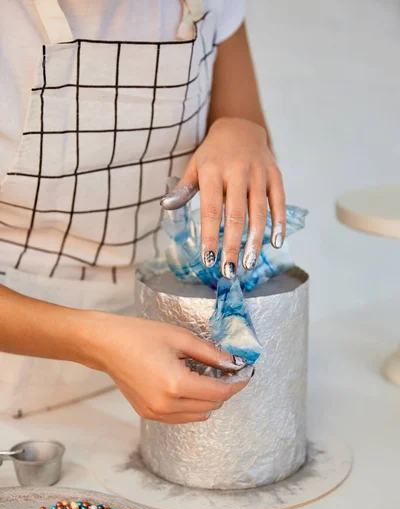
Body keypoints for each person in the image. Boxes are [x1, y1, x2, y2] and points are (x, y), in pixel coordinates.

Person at [0, 0, 286, 423]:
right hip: (19, 370)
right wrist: (96, 341)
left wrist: (242, 131)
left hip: (175, 352)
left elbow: (239, 126)